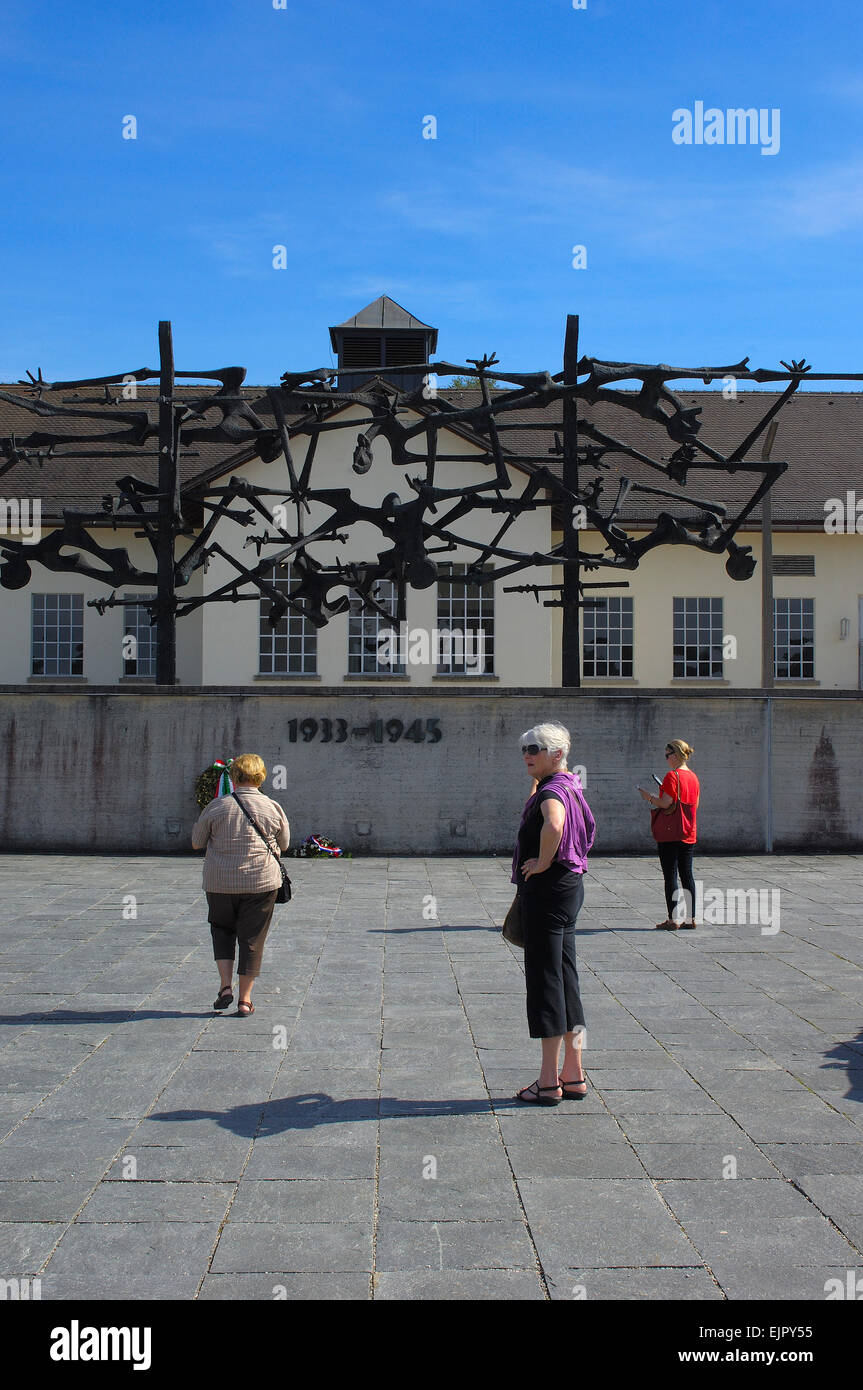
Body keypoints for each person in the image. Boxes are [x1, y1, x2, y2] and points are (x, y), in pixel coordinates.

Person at [512, 723, 596, 1106]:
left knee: (546, 983)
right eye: (525, 748)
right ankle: (574, 1074)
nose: (527, 753)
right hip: (568, 890)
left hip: (547, 893)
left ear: (557, 754)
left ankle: (547, 1082)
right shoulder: (568, 786)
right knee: (566, 979)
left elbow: (554, 823)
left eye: (536, 748)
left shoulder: (552, 792)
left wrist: (543, 860)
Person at [191, 753, 290, 1015]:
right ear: (261, 776)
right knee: (252, 939)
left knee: (222, 930)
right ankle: (245, 1000)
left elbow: (197, 842)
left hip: (220, 882)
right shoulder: (272, 807)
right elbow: (285, 844)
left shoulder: (216, 807)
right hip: (261, 882)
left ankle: (225, 987)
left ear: (234, 777)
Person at [639, 738, 700, 930]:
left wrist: (648, 797)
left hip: (670, 833)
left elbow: (665, 803)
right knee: (687, 875)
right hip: (688, 831)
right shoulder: (693, 777)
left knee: (671, 875)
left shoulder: (672, 776)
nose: (666, 759)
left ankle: (673, 919)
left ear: (676, 755)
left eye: (667, 755)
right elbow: (695, 805)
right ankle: (691, 918)